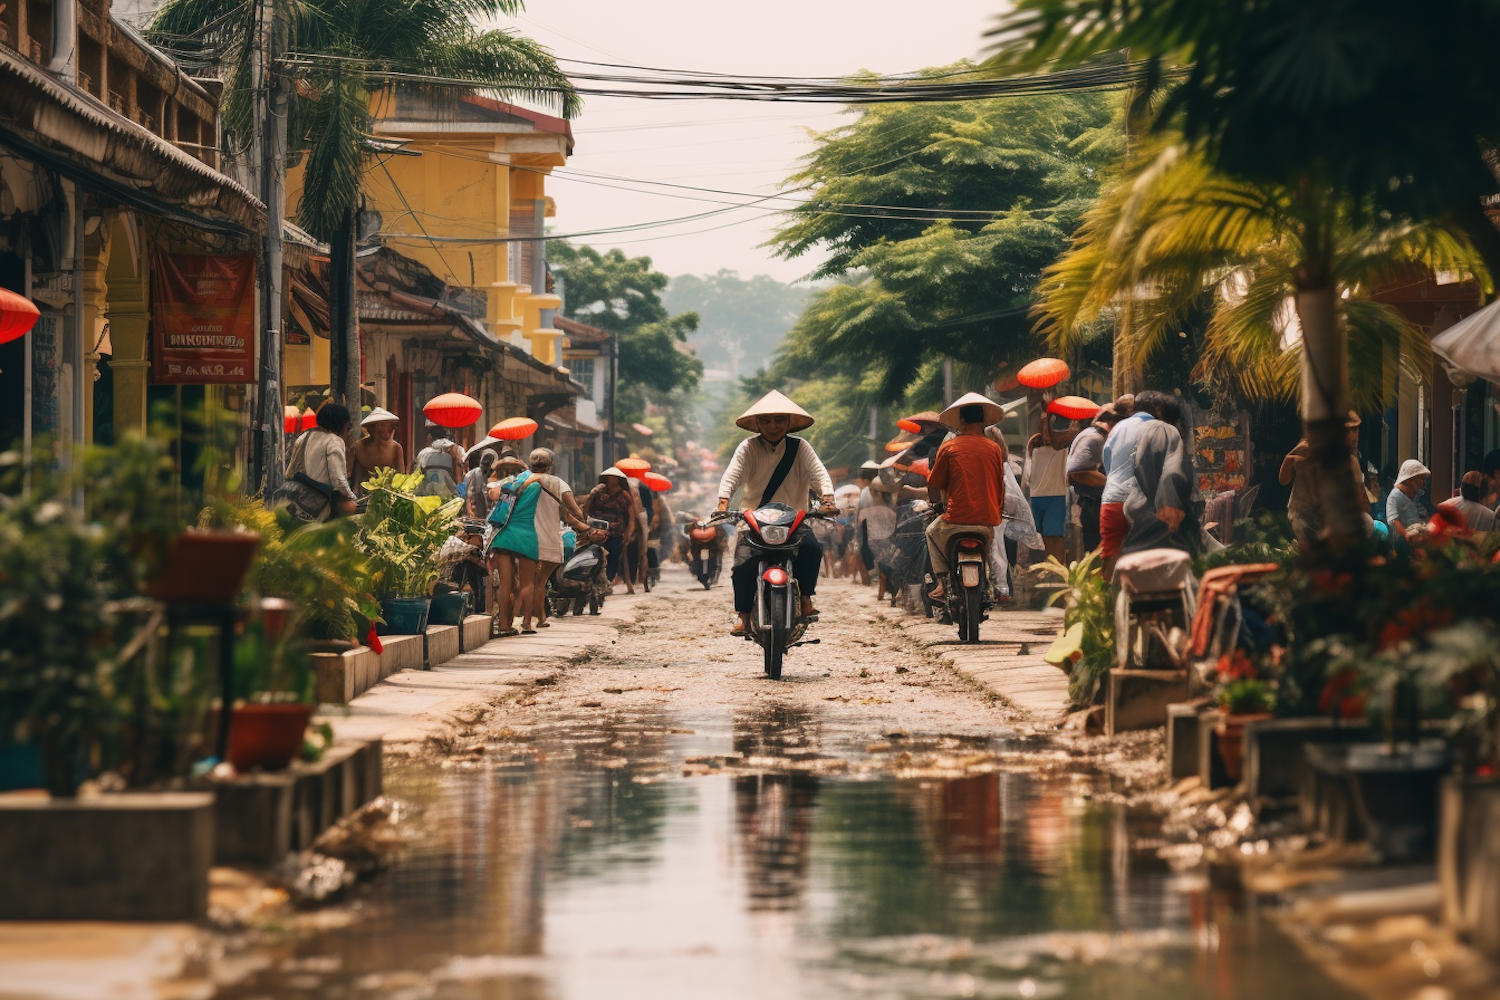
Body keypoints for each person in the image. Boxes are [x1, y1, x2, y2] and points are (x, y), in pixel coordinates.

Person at [717, 390, 835, 636]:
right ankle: (744, 616)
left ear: (789, 422)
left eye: (780, 420)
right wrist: (723, 501)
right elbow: (733, 475)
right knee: (742, 562)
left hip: (794, 517)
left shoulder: (801, 447)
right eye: (767, 420)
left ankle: (806, 599)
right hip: (755, 519)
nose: (773, 426)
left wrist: (828, 498)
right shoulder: (747, 447)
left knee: (812, 549)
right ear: (758, 423)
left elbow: (819, 473)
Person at [488, 448, 593, 634]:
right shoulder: (547, 482)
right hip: (526, 536)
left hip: (503, 534)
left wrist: (500, 473)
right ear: (551, 465)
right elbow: (574, 512)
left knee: (505, 584)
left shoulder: (518, 480)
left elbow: (493, 494)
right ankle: (527, 624)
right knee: (529, 583)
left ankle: (504, 626)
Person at [925, 393, 1007, 601]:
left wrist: (936, 504)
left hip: (956, 518)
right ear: (982, 422)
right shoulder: (995, 449)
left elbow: (934, 483)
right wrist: (998, 508)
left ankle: (942, 582)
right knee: (989, 548)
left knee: (931, 531)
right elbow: (1000, 484)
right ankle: (988, 580)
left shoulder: (950, 447)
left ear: (962, 422)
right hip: (987, 519)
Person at [1120, 393, 1202, 557]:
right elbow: (1171, 469)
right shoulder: (1164, 429)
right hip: (1163, 513)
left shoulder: (1125, 429)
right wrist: (1169, 502)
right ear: (1159, 410)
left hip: (1140, 509)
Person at [523, 448, 596, 629]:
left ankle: (527, 619)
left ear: (531, 464)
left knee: (527, 581)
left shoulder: (523, 481)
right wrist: (585, 518)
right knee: (540, 581)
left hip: (525, 538)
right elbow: (574, 511)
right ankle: (540, 619)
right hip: (549, 538)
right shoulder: (557, 483)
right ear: (551, 465)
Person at [1280, 412, 1366, 546]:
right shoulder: (1311, 450)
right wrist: (1293, 454)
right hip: (1304, 516)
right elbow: (1283, 479)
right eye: (1350, 430)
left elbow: (1360, 500)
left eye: (1356, 430)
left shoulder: (1351, 462)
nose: (1355, 436)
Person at [1100, 392, 1161, 574]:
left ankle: (1105, 599)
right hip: (1142, 501)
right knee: (1145, 554)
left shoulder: (1117, 429)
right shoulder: (1157, 427)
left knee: (1111, 552)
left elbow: (1107, 462)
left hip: (1112, 498)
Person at [275, 403, 357, 521]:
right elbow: (338, 480)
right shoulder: (334, 441)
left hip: (292, 500)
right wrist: (351, 499)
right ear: (343, 425)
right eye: (348, 427)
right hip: (317, 507)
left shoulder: (304, 437)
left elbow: (290, 471)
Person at [1066, 402, 1124, 555]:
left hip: (1094, 503)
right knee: (1097, 552)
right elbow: (1079, 472)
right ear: (1112, 422)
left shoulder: (1094, 436)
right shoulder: (1095, 438)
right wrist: (1113, 484)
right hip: (1093, 505)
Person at [1025, 413, 1076, 562]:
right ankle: (1050, 568)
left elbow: (1054, 439)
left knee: (1055, 536)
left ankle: (1058, 570)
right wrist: (1045, 417)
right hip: (1037, 494)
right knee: (1044, 537)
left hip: (1056, 494)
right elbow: (1047, 439)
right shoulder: (1034, 442)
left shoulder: (1063, 445)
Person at [583, 467, 638, 589]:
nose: (611, 480)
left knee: (613, 554)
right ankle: (592, 580)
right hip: (596, 529)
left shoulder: (625, 496)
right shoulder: (597, 492)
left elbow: (631, 517)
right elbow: (587, 509)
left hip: (615, 531)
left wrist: (628, 534)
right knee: (592, 554)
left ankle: (608, 581)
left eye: (614, 478)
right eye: (609, 477)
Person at [348, 407, 405, 495]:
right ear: (375, 428)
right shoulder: (359, 447)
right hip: (366, 493)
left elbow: (402, 476)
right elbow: (357, 471)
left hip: (389, 493)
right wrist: (355, 489)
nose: (391, 430)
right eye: (385, 426)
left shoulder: (396, 448)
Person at [414, 422, 465, 499]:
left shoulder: (423, 453)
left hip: (426, 495)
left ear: (429, 437)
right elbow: (458, 475)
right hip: (448, 495)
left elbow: (416, 475)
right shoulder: (454, 451)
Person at [1387, 460, 1431, 540]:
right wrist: (1407, 539)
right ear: (1410, 479)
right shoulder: (1396, 496)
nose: (1424, 482)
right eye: (1422, 479)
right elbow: (1394, 522)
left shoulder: (1416, 497)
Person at [464, 449, 498, 520]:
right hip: (477, 512)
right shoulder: (474, 473)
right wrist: (470, 507)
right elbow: (469, 494)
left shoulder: (497, 474)